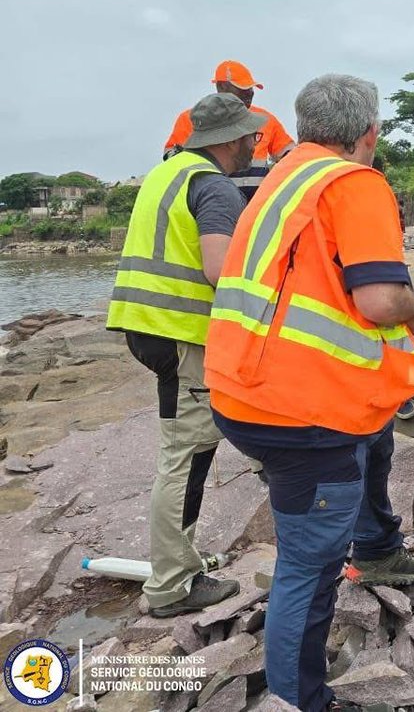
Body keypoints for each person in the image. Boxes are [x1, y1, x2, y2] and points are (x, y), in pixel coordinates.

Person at [204, 74, 414, 712]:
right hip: (302, 412)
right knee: (308, 570)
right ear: (368, 133)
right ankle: (299, 696)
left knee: (321, 528)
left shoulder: (281, 177)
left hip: (240, 391)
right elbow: (381, 299)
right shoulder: (354, 184)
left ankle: (371, 554)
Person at [107, 93, 262, 617]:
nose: (253, 146)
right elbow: (221, 270)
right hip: (180, 332)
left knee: (188, 447)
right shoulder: (214, 185)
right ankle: (172, 584)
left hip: (145, 325)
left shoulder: (165, 172)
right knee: (187, 456)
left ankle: (181, 563)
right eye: (250, 137)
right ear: (230, 139)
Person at [164, 59, 296, 199]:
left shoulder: (265, 119)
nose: (250, 93)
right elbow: (172, 159)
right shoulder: (193, 119)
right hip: (211, 203)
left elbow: (291, 156)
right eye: (243, 88)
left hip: (254, 209)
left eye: (251, 88)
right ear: (222, 87)